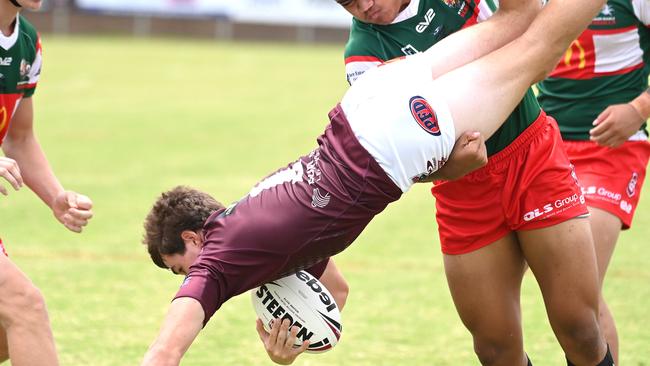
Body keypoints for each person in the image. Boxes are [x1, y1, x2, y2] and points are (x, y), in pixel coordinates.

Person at [140, 0, 614, 364]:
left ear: (193, 238)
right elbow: (335, 294)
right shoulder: (255, 229)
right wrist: (294, 344)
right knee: (521, 19)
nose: (188, 279)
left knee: (540, 45)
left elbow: (165, 350)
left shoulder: (218, 265)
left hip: (390, 144)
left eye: (182, 268)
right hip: (365, 113)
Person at [338, 0, 620, 365]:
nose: (365, 7)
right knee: (495, 350)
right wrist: (447, 169)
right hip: (463, 191)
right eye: (349, 4)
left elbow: (527, 32)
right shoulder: (362, 57)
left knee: (579, 326)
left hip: (532, 157)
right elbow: (392, 152)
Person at [537, 1, 650, 363]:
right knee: (566, 301)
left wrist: (638, 110)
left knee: (580, 294)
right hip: (543, 147)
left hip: (611, 151)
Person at [0, 0, 94, 365]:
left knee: (6, 336)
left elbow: (20, 138)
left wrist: (56, 196)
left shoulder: (26, 41)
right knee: (24, 306)